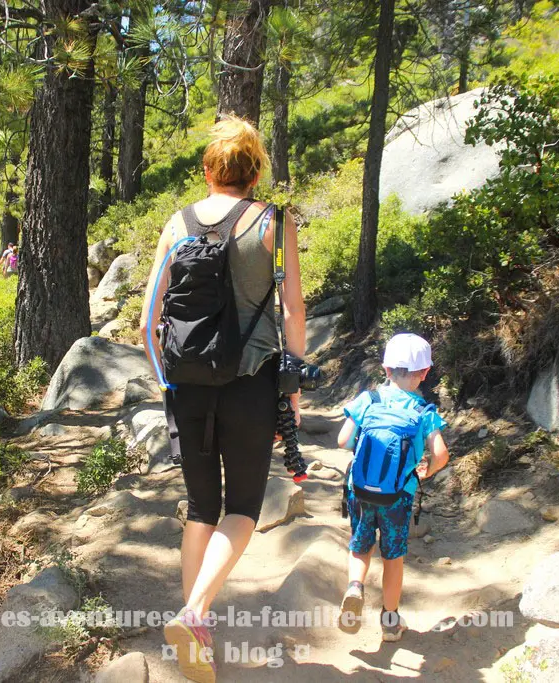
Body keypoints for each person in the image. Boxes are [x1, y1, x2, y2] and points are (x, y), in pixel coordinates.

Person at [139, 116, 306, 683]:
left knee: (200, 508)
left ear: (208, 171)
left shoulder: (177, 223)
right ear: (256, 172)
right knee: (243, 509)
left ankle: (197, 636)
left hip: (186, 384)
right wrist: (293, 386)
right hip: (250, 382)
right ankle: (194, 614)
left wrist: (169, 384)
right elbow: (293, 311)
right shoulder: (273, 222)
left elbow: (147, 324)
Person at [335, 333, 450, 642]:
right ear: (425, 373)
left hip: (359, 491)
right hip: (398, 496)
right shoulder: (425, 412)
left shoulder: (367, 399)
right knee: (392, 557)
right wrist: (425, 471)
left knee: (360, 546)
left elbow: (343, 440)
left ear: (385, 369)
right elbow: (441, 455)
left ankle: (354, 587)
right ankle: (389, 622)